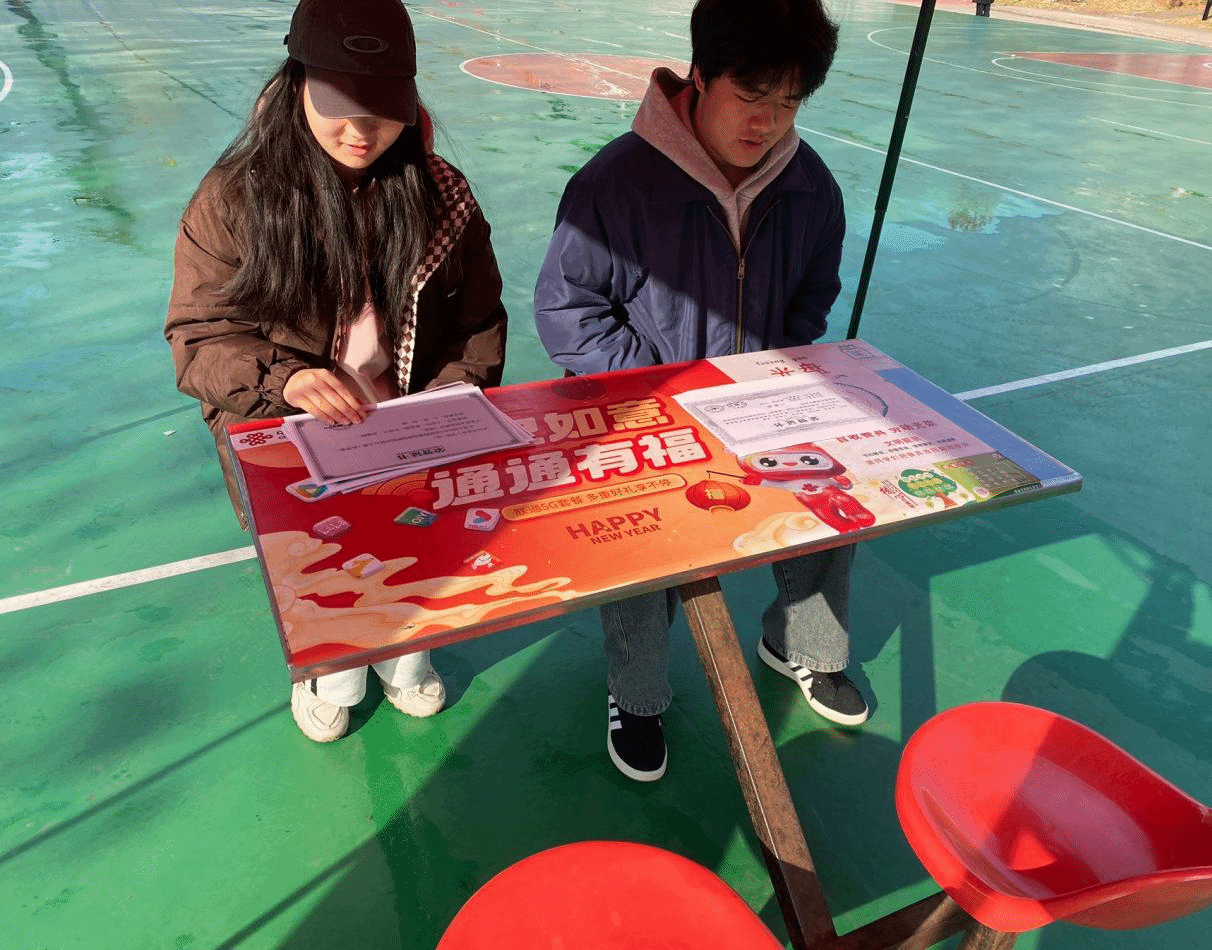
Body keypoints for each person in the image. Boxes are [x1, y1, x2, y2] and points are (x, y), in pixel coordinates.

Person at [535, 0, 863, 783]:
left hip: (759, 399)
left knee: (835, 492)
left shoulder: (811, 187)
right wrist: (654, 389)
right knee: (641, 541)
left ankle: (804, 646)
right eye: (750, 95)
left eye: (789, 102)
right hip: (646, 407)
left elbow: (814, 292)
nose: (768, 122)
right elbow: (567, 310)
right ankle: (638, 695)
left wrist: (778, 371)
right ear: (701, 76)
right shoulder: (615, 184)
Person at [166, 0, 508, 743]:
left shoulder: (441, 194)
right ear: (297, 84)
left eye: (382, 108)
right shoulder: (236, 197)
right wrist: (283, 379)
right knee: (324, 558)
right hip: (285, 421)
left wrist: (451, 397)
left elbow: (478, 321)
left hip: (404, 414)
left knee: (416, 542)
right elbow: (199, 336)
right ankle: (331, 670)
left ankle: (407, 654)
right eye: (338, 106)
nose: (360, 131)